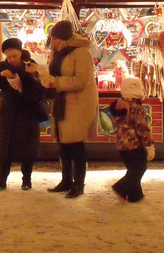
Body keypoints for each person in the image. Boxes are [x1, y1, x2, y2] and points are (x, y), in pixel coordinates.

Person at [27, 20, 99, 198]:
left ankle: (78, 184)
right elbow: (53, 77)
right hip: (62, 103)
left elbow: (82, 80)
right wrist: (40, 74)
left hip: (77, 104)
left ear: (64, 38)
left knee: (76, 144)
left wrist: (55, 82)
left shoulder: (81, 53)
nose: (52, 42)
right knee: (63, 144)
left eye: (55, 39)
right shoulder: (59, 53)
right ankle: (66, 180)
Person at [0, 38, 43, 191]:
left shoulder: (30, 64)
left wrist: (25, 77)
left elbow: (40, 89)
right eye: (9, 57)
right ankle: (2, 180)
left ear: (21, 52)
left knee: (27, 148)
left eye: (15, 55)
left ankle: (27, 180)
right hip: (8, 111)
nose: (12, 59)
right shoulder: (2, 66)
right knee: (5, 147)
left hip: (28, 110)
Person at [109, 76, 155, 203]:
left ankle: (136, 196)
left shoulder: (119, 104)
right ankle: (120, 188)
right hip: (134, 144)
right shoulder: (136, 107)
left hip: (122, 145)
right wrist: (149, 146)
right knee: (139, 168)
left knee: (132, 168)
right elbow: (142, 128)